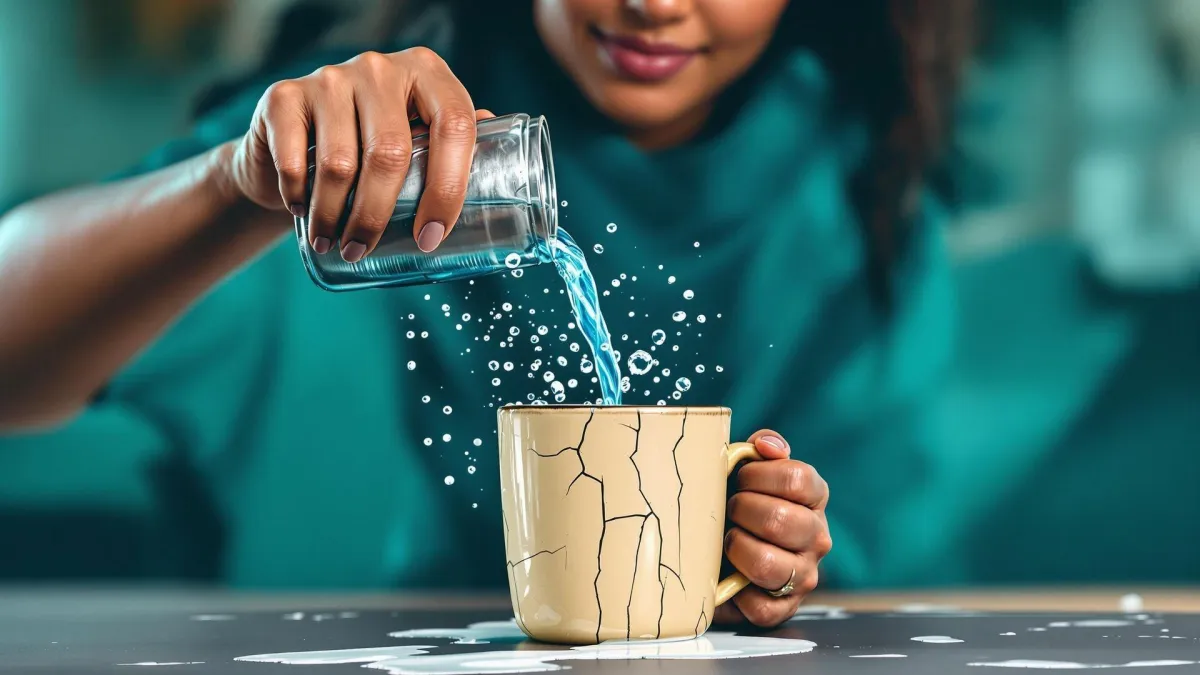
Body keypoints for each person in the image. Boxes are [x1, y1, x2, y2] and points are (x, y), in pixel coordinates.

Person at [0, 0, 972, 626]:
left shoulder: (858, 200)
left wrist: (771, 555)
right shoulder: (361, 137)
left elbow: (856, 570)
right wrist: (230, 184)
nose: (656, 4)